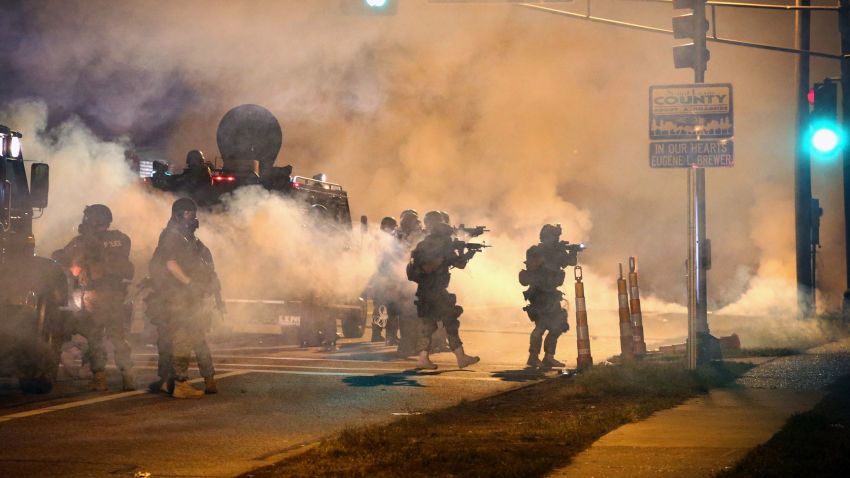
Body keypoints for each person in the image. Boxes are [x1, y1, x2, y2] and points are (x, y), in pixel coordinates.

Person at [52, 204, 135, 391]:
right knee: (118, 337)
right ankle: (128, 376)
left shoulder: (83, 242)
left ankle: (99, 378)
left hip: (94, 296)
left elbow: (68, 263)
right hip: (117, 296)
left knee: (95, 337)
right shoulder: (122, 239)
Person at [147, 197, 221, 399]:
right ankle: (179, 383)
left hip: (189, 297)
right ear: (177, 215)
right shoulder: (172, 236)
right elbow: (171, 265)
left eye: (193, 213)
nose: (192, 217)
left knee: (194, 337)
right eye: (188, 213)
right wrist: (190, 284)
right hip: (178, 297)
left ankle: (204, 379)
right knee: (183, 338)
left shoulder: (188, 238)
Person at [407, 216, 480, 370]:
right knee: (451, 322)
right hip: (437, 291)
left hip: (423, 291)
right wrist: (466, 254)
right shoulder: (444, 246)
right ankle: (461, 357)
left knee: (428, 326)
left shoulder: (422, 245)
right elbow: (459, 264)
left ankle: (422, 359)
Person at [519, 224, 577, 369]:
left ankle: (548, 357)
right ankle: (533, 356)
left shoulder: (555, 251)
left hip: (551, 293)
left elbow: (571, 262)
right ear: (546, 237)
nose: (556, 239)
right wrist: (559, 252)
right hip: (539, 293)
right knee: (541, 325)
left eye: (557, 237)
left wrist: (573, 252)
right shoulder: (535, 251)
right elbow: (542, 266)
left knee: (558, 324)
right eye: (554, 237)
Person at [364, 217, 403, 345]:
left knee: (380, 308)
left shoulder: (376, 239)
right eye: (393, 226)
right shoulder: (385, 240)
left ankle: (377, 334)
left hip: (379, 279)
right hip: (385, 278)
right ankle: (389, 336)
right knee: (391, 308)